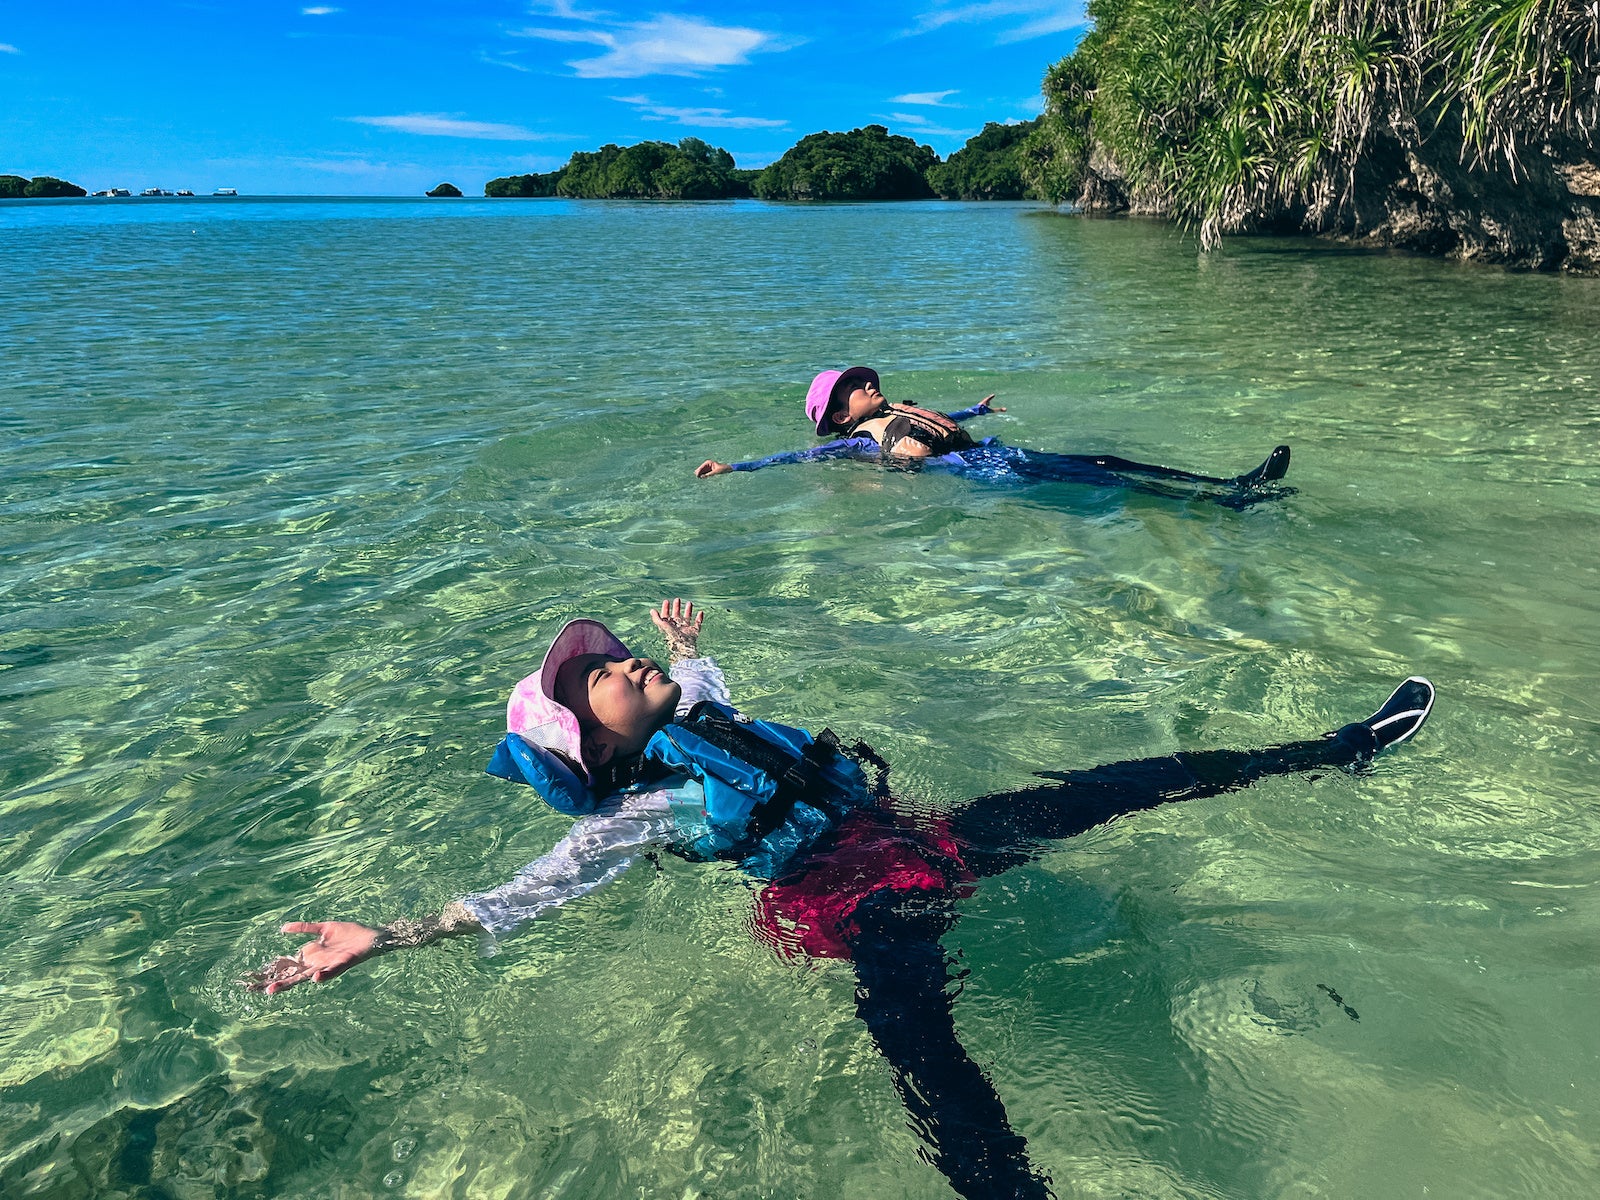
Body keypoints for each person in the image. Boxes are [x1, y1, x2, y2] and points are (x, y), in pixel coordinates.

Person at [245, 599, 1435, 1200]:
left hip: (920, 842)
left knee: (1120, 787)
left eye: (613, 654)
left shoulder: (692, 701)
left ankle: (1339, 747)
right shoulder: (637, 812)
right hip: (858, 906)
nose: (620, 662)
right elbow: (522, 896)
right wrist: (389, 936)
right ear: (591, 757)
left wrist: (685, 641)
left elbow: (705, 678)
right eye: (598, 678)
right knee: (929, 1056)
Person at [695, 366, 1294, 508]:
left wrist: (973, 412)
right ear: (839, 415)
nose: (871, 384)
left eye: (868, 377)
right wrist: (737, 470)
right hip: (987, 474)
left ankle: (1229, 483)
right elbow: (800, 456)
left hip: (998, 455)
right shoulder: (854, 442)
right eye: (857, 386)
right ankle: (1223, 502)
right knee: (1110, 485)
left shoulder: (897, 409)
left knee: (1108, 460)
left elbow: (941, 421)